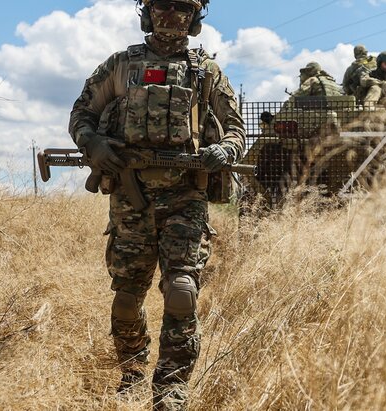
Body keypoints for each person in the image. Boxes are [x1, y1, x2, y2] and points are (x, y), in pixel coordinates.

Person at [68, 0, 245, 408]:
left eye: (182, 8)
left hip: (186, 198)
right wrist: (94, 143)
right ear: (147, 13)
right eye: (163, 5)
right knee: (126, 299)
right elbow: (81, 114)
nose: (171, 15)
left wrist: (224, 150)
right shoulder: (120, 65)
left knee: (181, 290)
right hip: (130, 198)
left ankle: (170, 389)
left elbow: (236, 129)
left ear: (195, 19)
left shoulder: (206, 71)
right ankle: (131, 374)